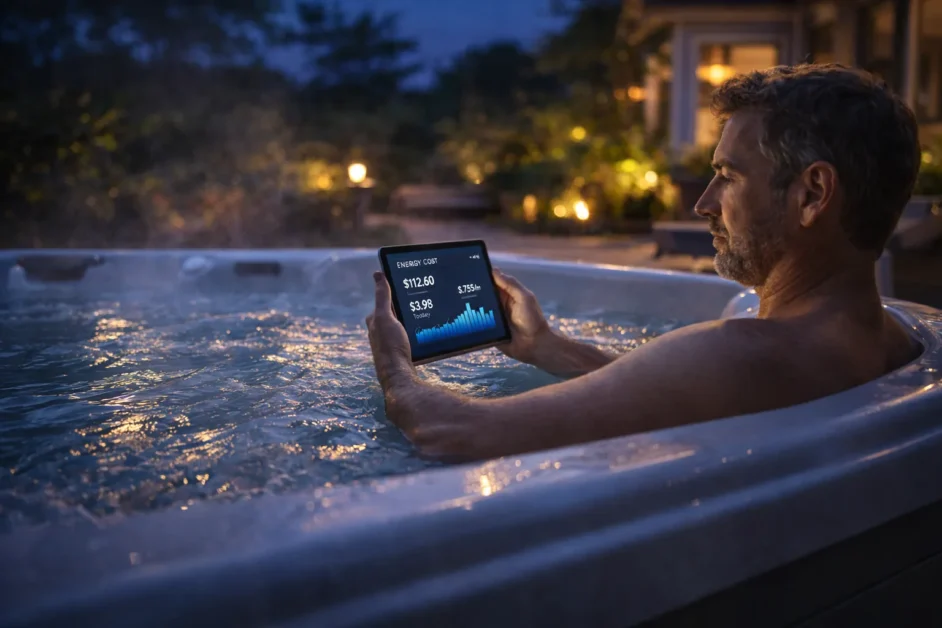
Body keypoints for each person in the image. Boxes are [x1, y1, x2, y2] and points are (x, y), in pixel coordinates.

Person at [366, 64, 922, 462]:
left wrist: (394, 363)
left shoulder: (743, 351)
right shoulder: (898, 341)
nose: (703, 204)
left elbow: (450, 429)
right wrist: (549, 349)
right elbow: (681, 389)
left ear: (812, 194)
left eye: (728, 176)